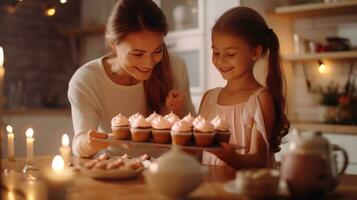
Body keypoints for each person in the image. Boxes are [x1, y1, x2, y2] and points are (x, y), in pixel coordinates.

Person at [68, 0, 195, 158]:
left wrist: (177, 112)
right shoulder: (87, 80)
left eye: (157, 51)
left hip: (165, 170)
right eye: (137, 54)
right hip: (115, 169)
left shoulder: (176, 67)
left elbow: (194, 138)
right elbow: (79, 144)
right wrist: (91, 142)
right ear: (114, 45)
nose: (148, 63)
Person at [199, 7, 290, 169]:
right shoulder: (209, 98)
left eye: (230, 54)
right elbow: (197, 152)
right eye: (215, 52)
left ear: (255, 52)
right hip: (212, 189)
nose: (220, 61)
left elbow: (259, 160)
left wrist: (230, 157)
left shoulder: (260, 99)